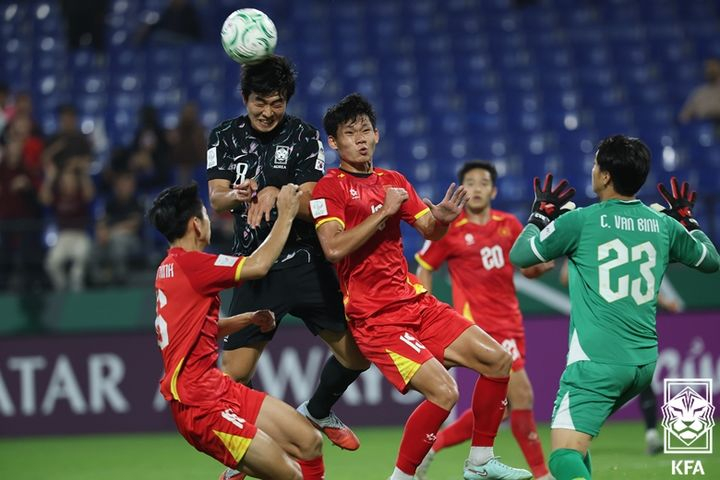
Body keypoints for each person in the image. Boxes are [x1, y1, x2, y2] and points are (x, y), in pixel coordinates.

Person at [311, 93, 532, 480]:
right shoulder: (329, 188)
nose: (360, 139)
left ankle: (480, 461)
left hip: (415, 302)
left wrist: (443, 218)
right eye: (349, 133)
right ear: (334, 142)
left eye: (365, 130)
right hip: (376, 317)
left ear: (377, 134)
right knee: (445, 392)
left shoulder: (394, 181)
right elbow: (333, 248)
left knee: (499, 362)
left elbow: (429, 228)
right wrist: (384, 212)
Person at [509, 135, 720, 480]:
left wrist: (538, 216)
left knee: (562, 457)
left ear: (606, 176)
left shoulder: (581, 221)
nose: (593, 170)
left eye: (596, 165)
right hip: (643, 364)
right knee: (578, 443)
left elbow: (520, 255)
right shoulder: (663, 225)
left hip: (596, 363)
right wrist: (688, 221)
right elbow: (711, 260)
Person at [206, 55, 369, 451]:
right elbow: (217, 199)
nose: (268, 112)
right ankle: (249, 445)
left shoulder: (304, 136)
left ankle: (316, 410)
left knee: (358, 356)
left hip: (306, 263)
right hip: (255, 267)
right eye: (259, 102)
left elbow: (313, 200)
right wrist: (239, 194)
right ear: (245, 98)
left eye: (276, 103)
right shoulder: (223, 136)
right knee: (232, 375)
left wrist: (277, 193)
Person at [148, 182, 325, 480]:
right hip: (200, 405)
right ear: (196, 224)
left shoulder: (169, 268)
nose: (209, 221)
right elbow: (258, 265)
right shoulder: (193, 265)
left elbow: (198, 330)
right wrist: (286, 214)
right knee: (291, 475)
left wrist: (247, 320)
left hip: (216, 388)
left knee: (309, 442)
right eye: (206, 215)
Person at [413, 161, 553, 480]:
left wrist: (542, 263)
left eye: (483, 182)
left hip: (511, 323)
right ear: (462, 190)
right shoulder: (450, 228)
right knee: (523, 395)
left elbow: (528, 269)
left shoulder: (509, 224)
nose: (477, 188)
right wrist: (424, 312)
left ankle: (433, 447)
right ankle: (542, 474)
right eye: (471, 183)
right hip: (480, 327)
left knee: (500, 410)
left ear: (494, 191)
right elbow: (425, 267)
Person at [559, 259, 683, 456]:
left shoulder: (597, 255)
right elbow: (565, 278)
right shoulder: (601, 255)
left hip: (613, 329)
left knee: (636, 379)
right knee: (633, 377)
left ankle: (648, 434)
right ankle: (580, 432)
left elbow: (565, 277)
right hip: (613, 329)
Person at [678, 58, 720, 124]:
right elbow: (683, 116)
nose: (710, 70)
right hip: (705, 125)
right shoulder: (700, 92)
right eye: (708, 68)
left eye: (713, 67)